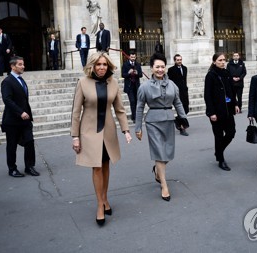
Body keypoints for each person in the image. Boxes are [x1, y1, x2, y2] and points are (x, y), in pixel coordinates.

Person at [71, 52, 132, 225]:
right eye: (98, 64)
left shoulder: (113, 83)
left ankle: (105, 198)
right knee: (96, 167)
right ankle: (99, 204)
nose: (102, 67)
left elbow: (120, 109)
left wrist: (125, 130)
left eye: (105, 64)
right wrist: (75, 136)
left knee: (105, 164)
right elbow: (76, 112)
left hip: (108, 131)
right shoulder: (83, 83)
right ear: (92, 65)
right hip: (89, 131)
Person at [135, 53, 188, 202]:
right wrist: (138, 127)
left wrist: (183, 118)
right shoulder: (144, 87)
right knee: (159, 152)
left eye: (162, 67)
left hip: (169, 120)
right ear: (151, 68)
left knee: (168, 152)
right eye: (157, 67)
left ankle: (158, 171)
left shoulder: (172, 85)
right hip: (153, 122)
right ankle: (164, 185)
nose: (160, 69)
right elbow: (139, 107)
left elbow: (177, 102)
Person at [1, 56, 39, 178]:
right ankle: (12, 169)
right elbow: (7, 100)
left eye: (23, 64)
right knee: (12, 146)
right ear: (12, 66)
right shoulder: (7, 81)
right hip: (13, 120)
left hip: (26, 119)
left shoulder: (21, 80)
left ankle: (29, 166)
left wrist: (26, 114)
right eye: (20, 64)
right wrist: (20, 112)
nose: (23, 66)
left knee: (29, 142)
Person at [204, 53, 240, 171]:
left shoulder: (226, 73)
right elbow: (207, 95)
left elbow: (231, 91)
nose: (223, 62)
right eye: (220, 60)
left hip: (228, 110)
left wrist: (235, 104)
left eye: (224, 60)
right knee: (218, 136)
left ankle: (218, 151)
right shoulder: (211, 75)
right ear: (214, 61)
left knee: (231, 132)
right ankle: (221, 159)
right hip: (217, 112)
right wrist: (211, 112)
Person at [167, 54, 190, 136]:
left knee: (186, 109)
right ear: (175, 61)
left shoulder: (185, 68)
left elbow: (185, 79)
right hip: (176, 92)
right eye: (177, 60)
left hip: (184, 91)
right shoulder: (171, 70)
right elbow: (169, 81)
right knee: (181, 109)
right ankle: (182, 128)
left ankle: (177, 120)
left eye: (180, 59)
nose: (179, 61)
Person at [121, 51, 143, 122]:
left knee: (137, 101)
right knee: (132, 101)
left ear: (135, 57)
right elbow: (123, 75)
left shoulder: (138, 64)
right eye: (131, 57)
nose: (133, 58)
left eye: (134, 57)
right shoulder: (125, 64)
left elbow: (140, 75)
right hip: (129, 86)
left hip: (136, 86)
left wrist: (137, 73)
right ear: (129, 57)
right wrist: (128, 73)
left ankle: (137, 116)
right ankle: (134, 117)